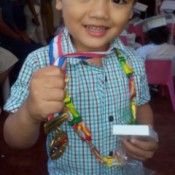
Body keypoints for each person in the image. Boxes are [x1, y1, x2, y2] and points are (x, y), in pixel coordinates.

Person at [3, 0, 158, 175]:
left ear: (131, 10)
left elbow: (142, 105)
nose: (100, 13)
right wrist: (29, 113)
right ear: (59, 2)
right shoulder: (40, 62)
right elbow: (14, 139)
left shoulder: (133, 60)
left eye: (118, 0)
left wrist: (146, 133)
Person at [0, 0, 43, 81]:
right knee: (36, 53)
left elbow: (10, 22)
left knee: (41, 48)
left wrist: (20, 34)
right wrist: (18, 37)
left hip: (12, 38)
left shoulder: (7, 2)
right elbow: (1, 25)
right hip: (5, 42)